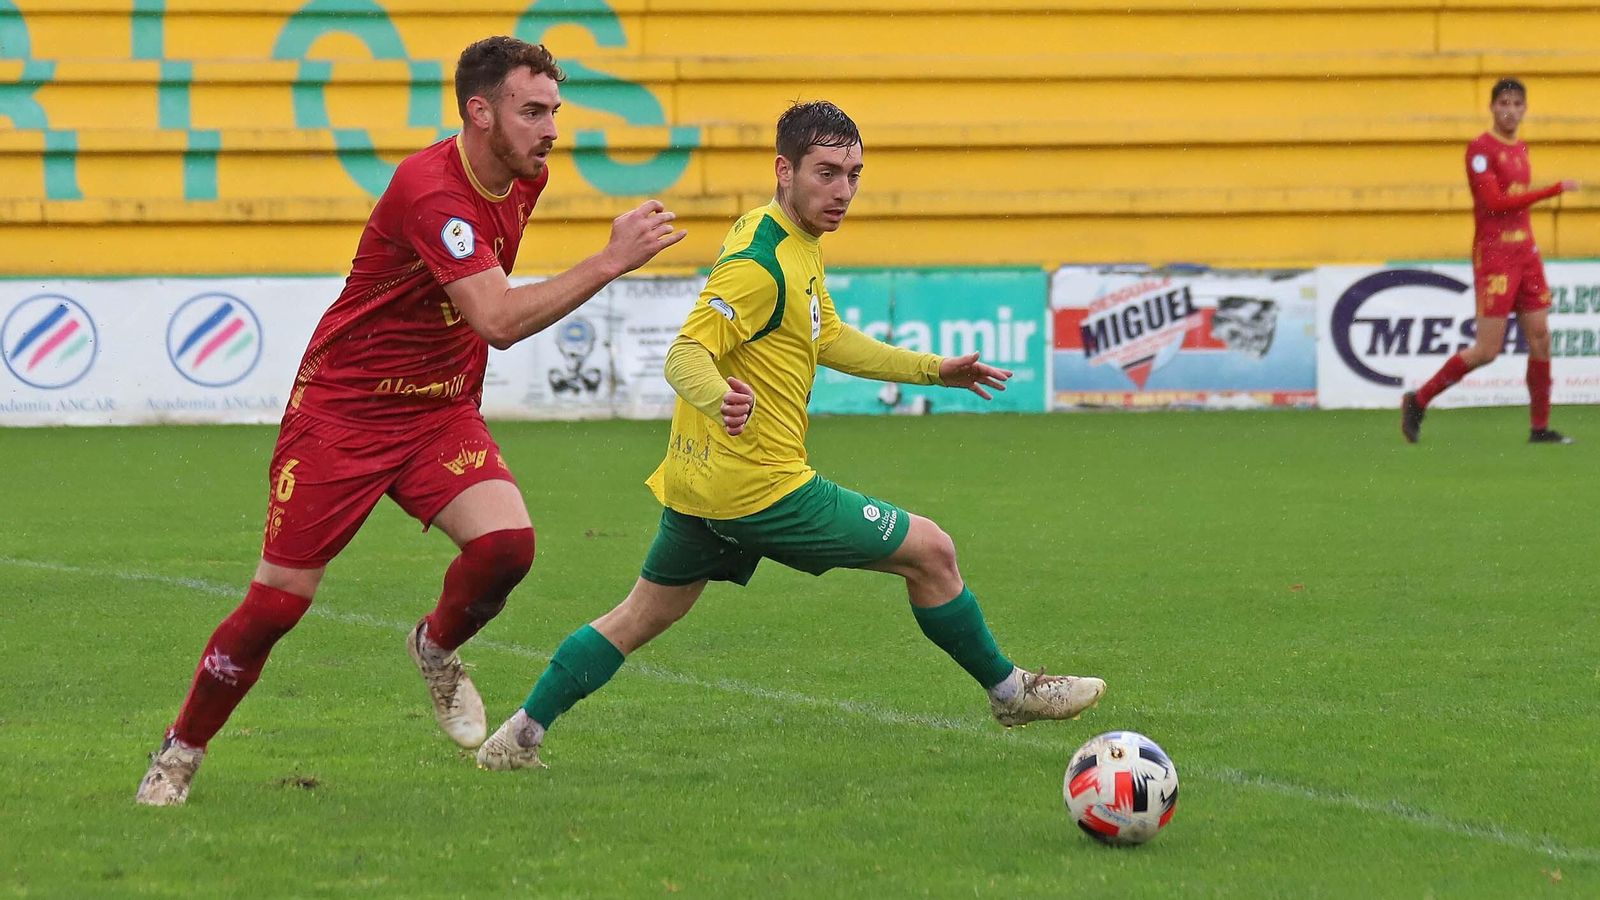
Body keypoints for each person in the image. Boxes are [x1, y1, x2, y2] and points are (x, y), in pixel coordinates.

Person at [473, 101, 1106, 772]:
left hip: (702, 486)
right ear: (786, 169)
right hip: (761, 490)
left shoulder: (784, 237)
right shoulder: (760, 264)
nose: (843, 192)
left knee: (636, 618)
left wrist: (931, 370)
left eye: (854, 174)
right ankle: (1011, 692)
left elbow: (824, 333)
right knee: (932, 551)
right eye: (827, 173)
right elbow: (685, 355)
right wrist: (723, 397)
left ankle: (516, 738)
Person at [135, 37, 686, 805]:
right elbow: (494, 316)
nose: (552, 129)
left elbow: (474, 308)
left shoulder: (526, 174)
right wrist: (609, 259)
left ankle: (436, 645)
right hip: (345, 413)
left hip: (436, 410)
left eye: (556, 111)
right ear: (479, 110)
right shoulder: (432, 190)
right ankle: (180, 751)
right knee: (276, 605)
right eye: (534, 111)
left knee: (506, 548)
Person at [1402, 77, 1579, 444]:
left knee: (1541, 337)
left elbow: (1516, 208)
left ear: (1525, 109)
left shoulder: (1521, 148)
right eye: (1504, 103)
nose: (1510, 110)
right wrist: (1552, 190)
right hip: (1495, 256)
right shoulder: (1480, 150)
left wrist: (1530, 244)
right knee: (1487, 351)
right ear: (1492, 108)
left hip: (1525, 253)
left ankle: (1540, 428)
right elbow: (1495, 204)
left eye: (1517, 104)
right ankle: (1418, 400)